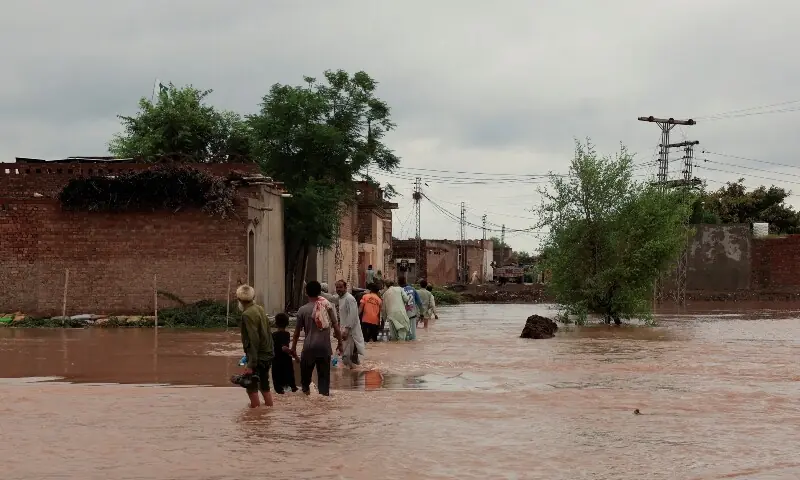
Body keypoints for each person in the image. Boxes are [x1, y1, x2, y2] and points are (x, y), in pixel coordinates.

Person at [291, 281, 344, 396]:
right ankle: (323, 408)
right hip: (324, 349)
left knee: (305, 383)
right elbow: (336, 327)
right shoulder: (327, 306)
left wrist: (293, 348)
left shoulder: (302, 310)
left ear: (306, 292)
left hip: (308, 349)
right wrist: (340, 343)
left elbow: (296, 333)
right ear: (320, 292)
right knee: (324, 384)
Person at [237, 284, 275, 408]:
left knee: (251, 386)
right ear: (253, 297)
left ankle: (255, 417)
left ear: (239, 300)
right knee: (264, 384)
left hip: (257, 356)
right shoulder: (260, 308)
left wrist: (250, 364)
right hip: (267, 353)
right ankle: (268, 412)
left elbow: (253, 339)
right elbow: (267, 331)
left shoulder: (247, 314)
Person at [335, 279, 365, 368]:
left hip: (350, 332)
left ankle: (354, 374)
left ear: (345, 288)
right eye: (337, 287)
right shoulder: (340, 298)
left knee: (346, 358)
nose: (338, 289)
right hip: (345, 331)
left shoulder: (349, 298)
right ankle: (358, 375)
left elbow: (353, 315)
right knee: (352, 358)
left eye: (340, 287)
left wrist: (347, 329)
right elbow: (331, 298)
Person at [271, 312, 298, 394]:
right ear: (287, 323)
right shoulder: (286, 334)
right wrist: (295, 356)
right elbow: (284, 348)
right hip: (286, 363)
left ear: (275, 323)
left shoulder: (273, 335)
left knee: (278, 388)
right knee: (292, 387)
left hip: (276, 362)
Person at [399, 276, 423, 340]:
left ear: (398, 283)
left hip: (402, 315)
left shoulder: (398, 290)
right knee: (413, 336)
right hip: (412, 314)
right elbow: (420, 303)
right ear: (405, 281)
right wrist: (422, 314)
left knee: (404, 335)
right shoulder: (412, 289)